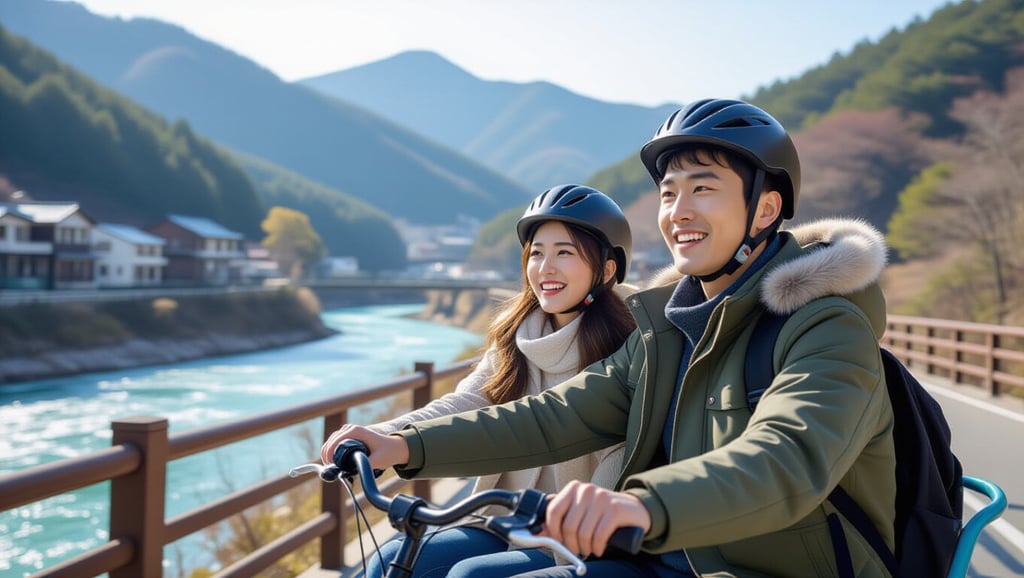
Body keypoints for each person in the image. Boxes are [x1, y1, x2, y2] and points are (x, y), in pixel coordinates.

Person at [325, 98, 897, 577]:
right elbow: (551, 416)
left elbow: (785, 457)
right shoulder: (668, 329)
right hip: (675, 554)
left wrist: (638, 505)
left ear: (765, 208)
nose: (679, 211)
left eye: (704, 189)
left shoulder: (827, 326)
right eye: (670, 193)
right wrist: (402, 445)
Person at [321, 184, 637, 577]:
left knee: (469, 575)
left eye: (565, 253)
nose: (545, 268)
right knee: (391, 560)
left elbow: (621, 457)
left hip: (573, 535)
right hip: (501, 516)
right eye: (536, 253)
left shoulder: (632, 347)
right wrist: (385, 435)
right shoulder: (518, 337)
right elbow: (465, 402)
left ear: (607, 269)